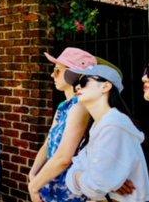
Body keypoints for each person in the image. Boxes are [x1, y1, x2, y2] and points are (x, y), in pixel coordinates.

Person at [64, 65, 149, 201]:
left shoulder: (114, 125)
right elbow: (71, 178)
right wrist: (101, 180)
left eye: (83, 82)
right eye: (76, 84)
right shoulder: (98, 126)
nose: (77, 87)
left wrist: (80, 176)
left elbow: (95, 187)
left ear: (105, 87)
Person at [28, 48, 97, 202]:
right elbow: (47, 144)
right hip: (50, 185)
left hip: (70, 191)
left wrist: (33, 187)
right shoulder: (63, 106)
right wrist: (33, 173)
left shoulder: (81, 106)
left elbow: (64, 157)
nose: (53, 74)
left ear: (73, 73)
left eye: (57, 70)